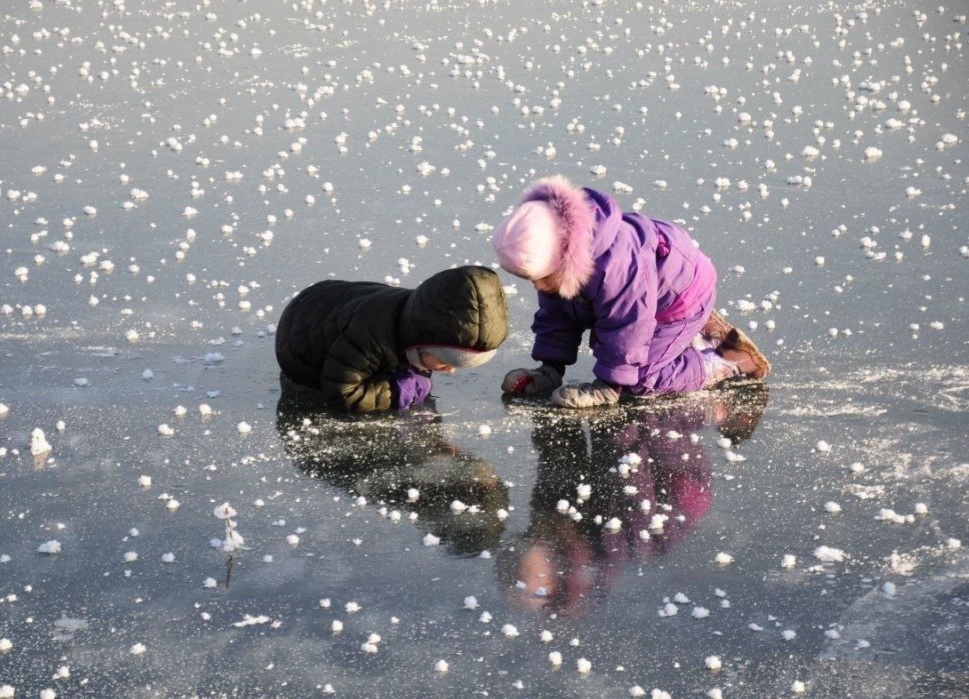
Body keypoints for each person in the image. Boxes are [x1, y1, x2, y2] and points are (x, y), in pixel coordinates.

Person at [491, 175, 770, 408]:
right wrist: (550, 368)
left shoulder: (619, 269)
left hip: (680, 301)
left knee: (641, 378)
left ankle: (727, 360)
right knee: (569, 305)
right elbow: (557, 315)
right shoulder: (561, 250)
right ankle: (690, 336)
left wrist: (609, 386)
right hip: (649, 295)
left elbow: (628, 329)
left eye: (540, 278)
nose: (537, 286)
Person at [275, 265, 508, 413]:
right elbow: (342, 393)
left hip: (333, 299)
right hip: (297, 342)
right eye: (445, 361)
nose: (450, 370)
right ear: (422, 344)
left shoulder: (421, 313)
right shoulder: (372, 338)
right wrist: (397, 391)